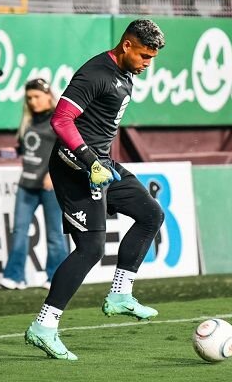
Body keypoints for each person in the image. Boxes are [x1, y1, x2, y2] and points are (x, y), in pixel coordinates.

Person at [24, 19, 166, 361]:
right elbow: (61, 120)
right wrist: (90, 161)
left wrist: (99, 162)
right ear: (127, 45)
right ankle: (44, 326)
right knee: (90, 249)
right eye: (144, 55)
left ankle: (120, 295)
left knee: (151, 214)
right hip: (76, 167)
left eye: (152, 58)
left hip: (100, 164)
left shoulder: (126, 72)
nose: (148, 63)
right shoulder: (95, 73)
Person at [0, 78, 69, 291]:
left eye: (37, 96)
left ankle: (57, 277)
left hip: (50, 186)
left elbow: (67, 149)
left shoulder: (58, 120)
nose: (33, 101)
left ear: (48, 96)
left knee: (54, 234)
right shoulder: (28, 121)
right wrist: (13, 152)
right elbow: (26, 148)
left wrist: (54, 174)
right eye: (29, 98)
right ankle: (15, 276)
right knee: (19, 231)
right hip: (26, 183)